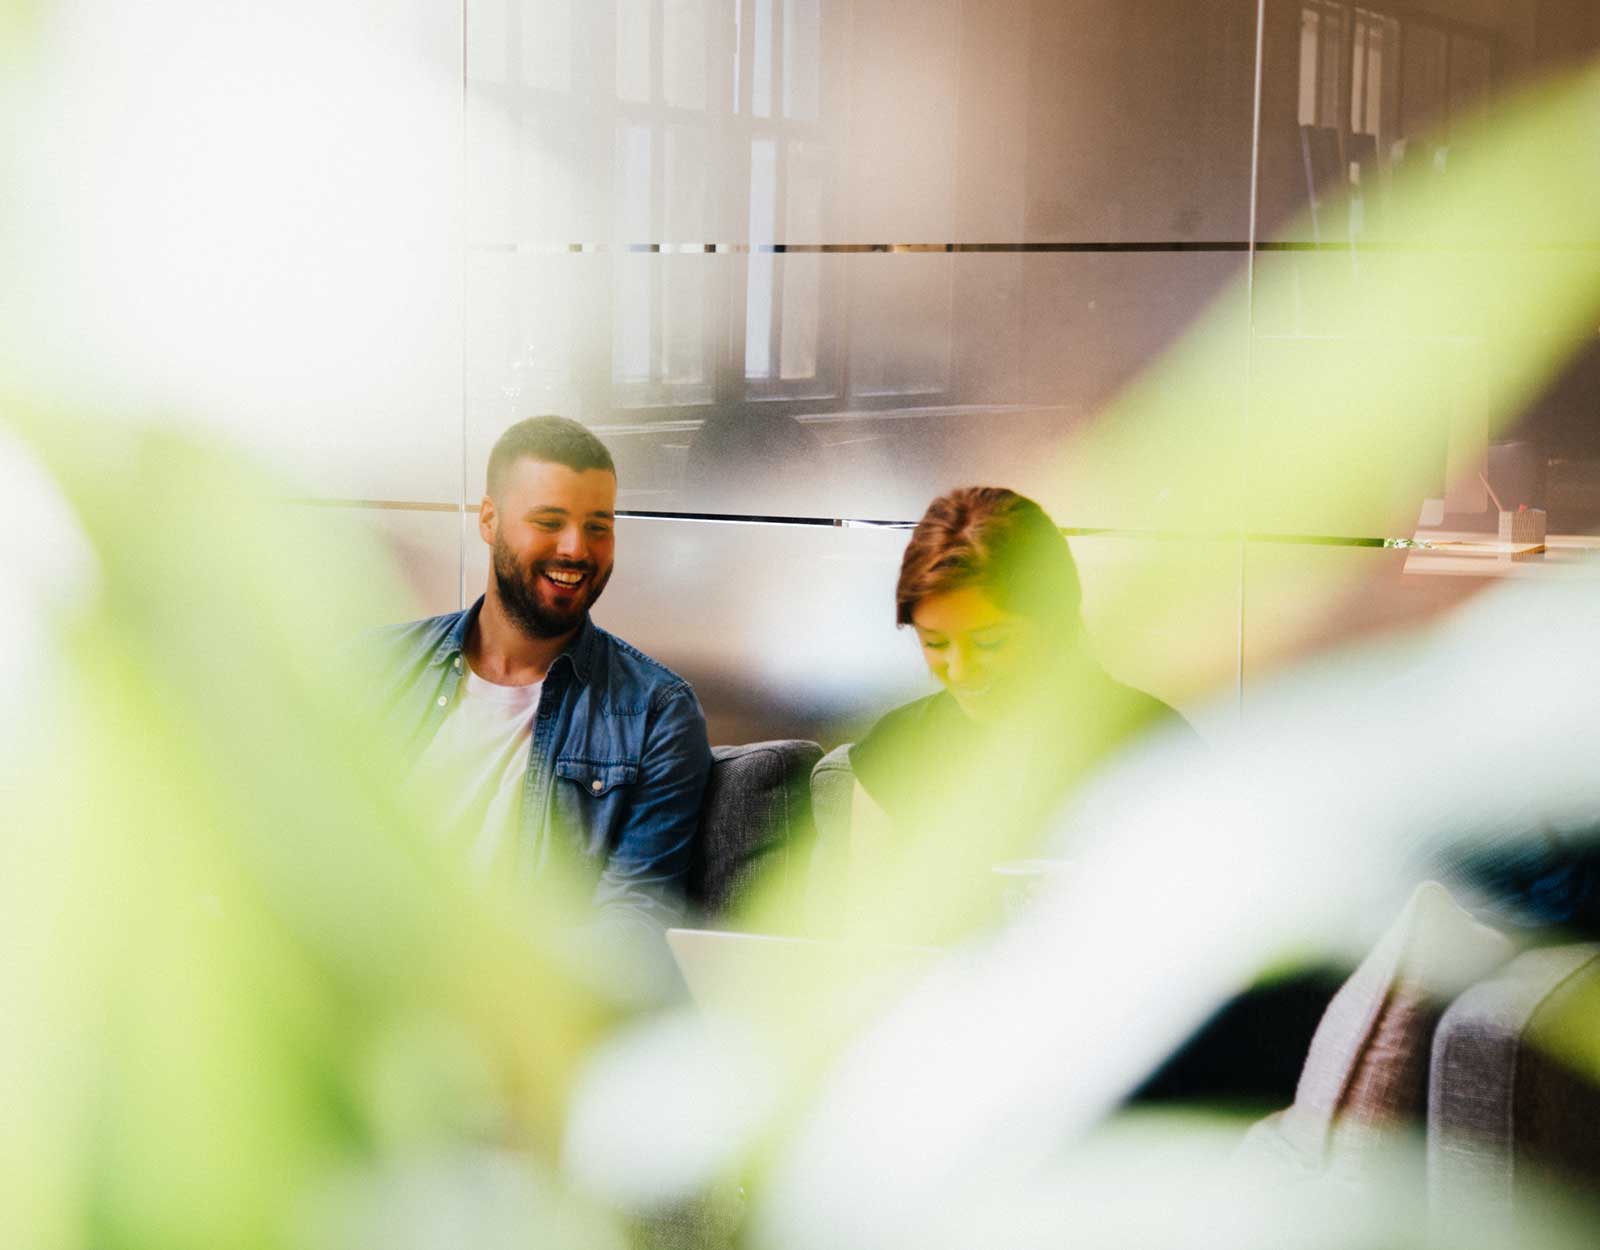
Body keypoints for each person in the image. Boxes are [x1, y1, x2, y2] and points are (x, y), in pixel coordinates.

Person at [371, 415, 712, 938]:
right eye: (549, 521)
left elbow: (630, 928)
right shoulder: (377, 667)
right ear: (488, 520)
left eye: (598, 526)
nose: (576, 549)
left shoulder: (657, 713)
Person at [846, 486, 1184, 886]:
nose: (960, 670)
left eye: (990, 642)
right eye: (934, 643)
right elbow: (865, 936)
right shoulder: (898, 749)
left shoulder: (1153, 748)